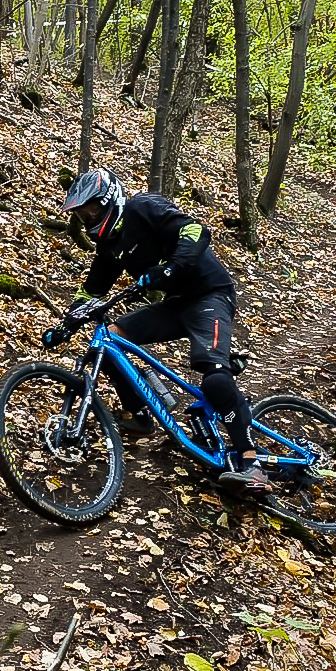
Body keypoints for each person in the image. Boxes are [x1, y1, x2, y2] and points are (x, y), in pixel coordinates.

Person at [41, 166, 270, 492]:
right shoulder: (109, 246)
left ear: (108, 201)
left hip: (210, 294)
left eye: (91, 210)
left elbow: (195, 231)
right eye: (81, 214)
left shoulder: (143, 208)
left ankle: (252, 463)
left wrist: (171, 268)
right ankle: (139, 415)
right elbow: (91, 292)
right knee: (109, 340)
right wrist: (67, 324)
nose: (88, 219)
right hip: (175, 305)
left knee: (215, 378)